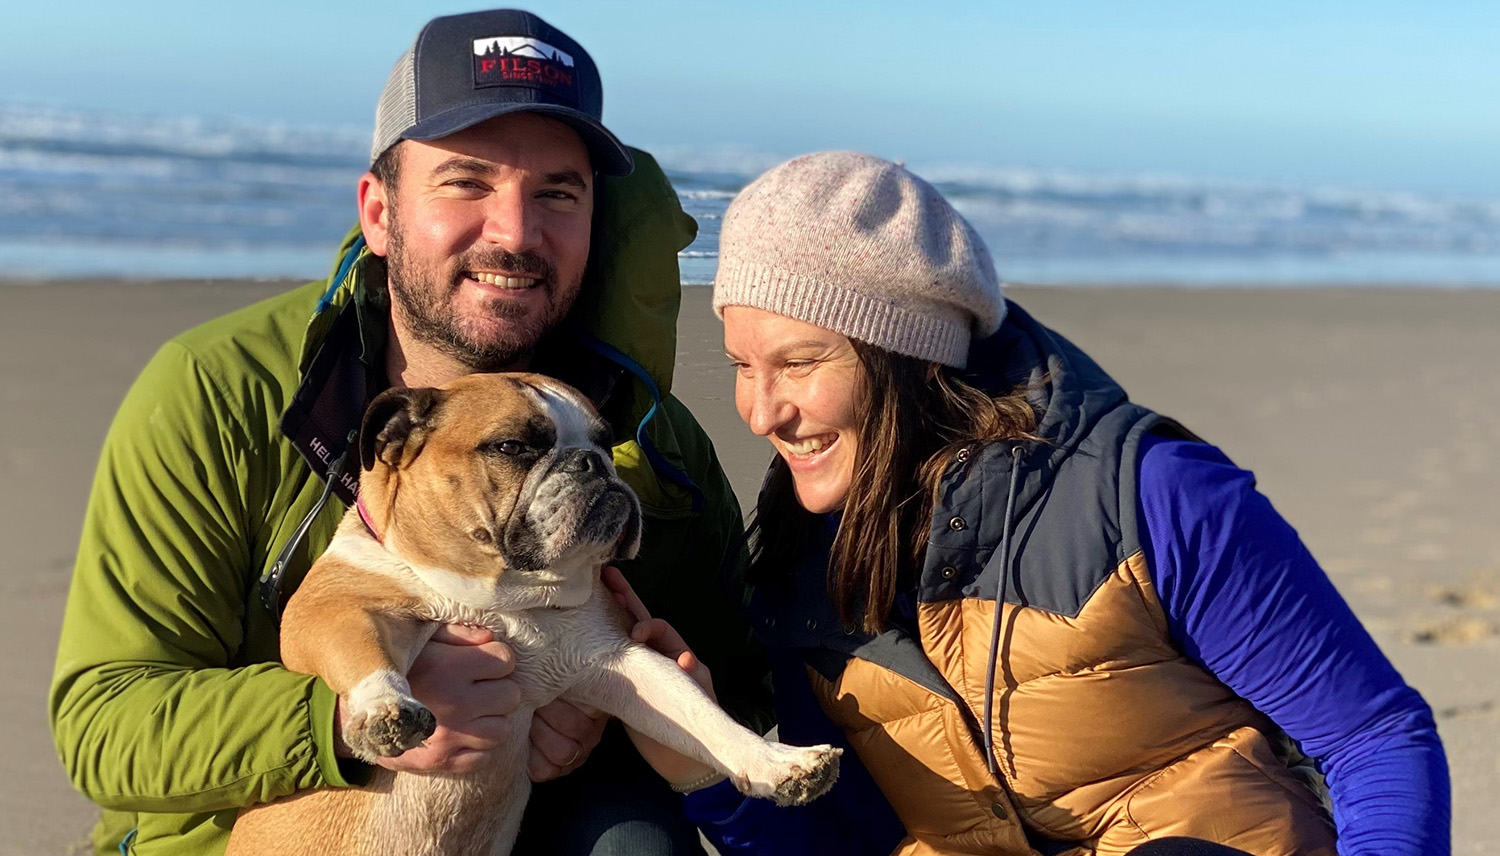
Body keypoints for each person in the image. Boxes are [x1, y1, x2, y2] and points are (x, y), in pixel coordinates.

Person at [48, 10, 769, 856]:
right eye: (466, 181)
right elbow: (105, 720)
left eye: (558, 193)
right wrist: (355, 716)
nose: (514, 232)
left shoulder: (651, 440)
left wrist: (607, 714)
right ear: (380, 211)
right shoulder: (221, 390)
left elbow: (751, 692)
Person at [620, 151, 1450, 855]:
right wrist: (701, 763)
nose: (762, 413)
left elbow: (1375, 738)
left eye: (798, 363)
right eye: (740, 366)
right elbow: (853, 839)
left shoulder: (1144, 491)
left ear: (908, 356)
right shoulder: (802, 567)